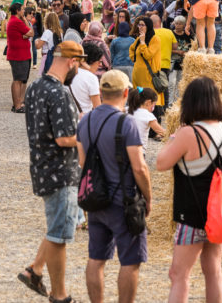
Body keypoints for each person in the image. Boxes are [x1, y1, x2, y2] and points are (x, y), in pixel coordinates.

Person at [156, 76, 222, 303]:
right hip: (217, 214)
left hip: (192, 214)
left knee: (178, 274)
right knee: (213, 270)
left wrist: (174, 138)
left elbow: (161, 163)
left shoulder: (188, 134)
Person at [17, 41, 85, 303]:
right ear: (71, 61)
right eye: (78, 63)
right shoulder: (59, 92)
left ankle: (34, 270)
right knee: (60, 236)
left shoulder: (35, 86)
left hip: (42, 165)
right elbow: (65, 138)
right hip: (61, 171)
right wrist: (89, 136)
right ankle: (59, 295)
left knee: (59, 226)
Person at [77, 70, 152, 303]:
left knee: (96, 259)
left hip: (95, 200)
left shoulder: (85, 120)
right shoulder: (126, 123)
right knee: (130, 261)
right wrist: (148, 198)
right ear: (126, 93)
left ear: (101, 91)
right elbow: (139, 167)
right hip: (124, 202)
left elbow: (82, 162)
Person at [129, 17, 165, 108]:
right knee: (139, 101)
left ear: (148, 26)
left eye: (142, 25)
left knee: (150, 100)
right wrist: (134, 59)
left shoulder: (155, 39)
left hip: (149, 77)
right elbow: (131, 49)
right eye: (139, 25)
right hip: (137, 77)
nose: (140, 27)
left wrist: (143, 42)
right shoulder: (138, 38)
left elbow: (148, 55)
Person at [6, 3, 33, 113]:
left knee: (21, 79)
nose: (24, 11)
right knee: (17, 80)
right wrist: (26, 33)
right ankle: (17, 105)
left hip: (22, 54)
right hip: (18, 55)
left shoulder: (16, 21)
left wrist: (25, 33)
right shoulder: (16, 22)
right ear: (17, 11)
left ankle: (19, 103)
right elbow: (31, 32)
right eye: (22, 10)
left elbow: (28, 32)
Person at [69, 42, 103, 121]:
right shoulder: (91, 78)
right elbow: (97, 108)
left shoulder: (67, 72)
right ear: (91, 61)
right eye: (99, 61)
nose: (100, 65)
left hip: (67, 121)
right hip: (83, 122)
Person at [153, 14, 177, 109]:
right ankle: (165, 106)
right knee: (164, 85)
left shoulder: (150, 33)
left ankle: (156, 106)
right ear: (160, 22)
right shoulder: (169, 32)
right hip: (166, 63)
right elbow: (175, 46)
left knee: (154, 85)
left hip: (153, 64)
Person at [170, 16, 194, 105]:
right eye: (176, 23)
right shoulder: (171, 34)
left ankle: (177, 102)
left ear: (184, 25)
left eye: (180, 24)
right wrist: (177, 51)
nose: (178, 26)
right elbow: (166, 48)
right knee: (171, 84)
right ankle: (170, 102)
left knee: (179, 84)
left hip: (183, 63)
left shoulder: (187, 35)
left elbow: (192, 47)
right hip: (172, 62)